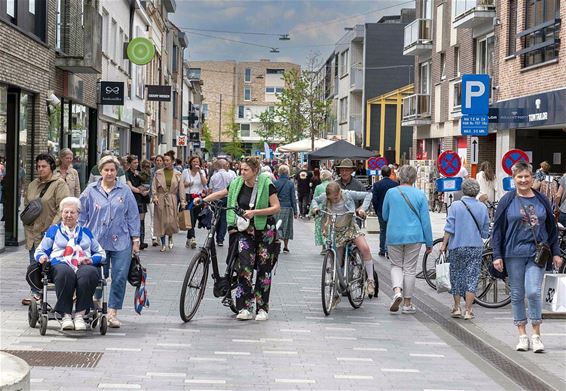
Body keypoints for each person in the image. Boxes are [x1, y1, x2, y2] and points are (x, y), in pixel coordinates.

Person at [196, 157, 281, 321]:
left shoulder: (266, 183)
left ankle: (262, 308)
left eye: (245, 170)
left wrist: (255, 212)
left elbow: (276, 207)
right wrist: (203, 200)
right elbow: (222, 193)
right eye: (241, 169)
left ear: (255, 171)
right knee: (244, 268)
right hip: (245, 230)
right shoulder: (237, 183)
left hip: (264, 230)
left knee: (264, 270)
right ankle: (245, 307)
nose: (242, 172)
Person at [491, 161, 562, 353]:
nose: (523, 180)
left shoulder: (542, 200)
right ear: (513, 179)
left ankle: (536, 335)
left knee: (532, 292)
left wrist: (556, 252)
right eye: (519, 177)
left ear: (532, 178)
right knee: (517, 294)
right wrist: (497, 255)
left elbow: (551, 229)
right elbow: (497, 230)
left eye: (526, 176)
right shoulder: (507, 200)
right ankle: (522, 335)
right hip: (513, 253)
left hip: (536, 254)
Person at [79, 155, 140, 328]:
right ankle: (96, 304)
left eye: (113, 170)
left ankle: (113, 312)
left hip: (121, 240)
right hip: (97, 240)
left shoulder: (124, 190)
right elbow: (82, 214)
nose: (110, 173)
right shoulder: (91, 190)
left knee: (119, 276)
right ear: (101, 171)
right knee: (98, 276)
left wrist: (135, 239)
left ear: (117, 172)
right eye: (106, 170)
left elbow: (133, 215)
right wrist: (81, 236)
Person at [34, 197, 105, 330]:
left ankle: (79, 316)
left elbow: (101, 254)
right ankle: (66, 315)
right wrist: (42, 256)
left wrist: (91, 260)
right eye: (66, 212)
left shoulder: (86, 232)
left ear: (78, 214)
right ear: (61, 213)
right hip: (60, 263)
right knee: (65, 273)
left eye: (72, 212)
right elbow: (40, 250)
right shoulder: (54, 230)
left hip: (83, 264)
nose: (68, 215)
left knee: (89, 273)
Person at [382, 165, 433, 314]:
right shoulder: (420, 195)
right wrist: (429, 243)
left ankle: (397, 291)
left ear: (399, 177)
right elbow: (425, 221)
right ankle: (407, 303)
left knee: (396, 265)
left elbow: (384, 216)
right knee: (410, 269)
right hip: (414, 236)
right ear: (414, 178)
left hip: (394, 235)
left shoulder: (390, 193)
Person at [311, 182, 376, 297]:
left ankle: (370, 281)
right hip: (336, 230)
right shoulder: (325, 197)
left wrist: (362, 209)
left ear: (339, 192)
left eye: (336, 198)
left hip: (350, 227)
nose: (334, 201)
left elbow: (368, 195)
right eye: (331, 199)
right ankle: (337, 287)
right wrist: (315, 208)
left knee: (365, 248)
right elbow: (315, 200)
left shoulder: (347, 194)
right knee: (338, 261)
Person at [22, 154, 70, 305]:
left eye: (44, 166)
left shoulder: (59, 184)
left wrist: (51, 229)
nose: (40, 169)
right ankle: (36, 295)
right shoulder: (32, 185)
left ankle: (63, 293)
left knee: (52, 265)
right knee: (34, 264)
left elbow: (62, 209)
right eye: (38, 166)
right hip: (33, 232)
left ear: (51, 167)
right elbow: (27, 205)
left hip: (50, 233)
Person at [440, 179, 490, 320]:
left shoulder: (455, 206)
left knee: (456, 276)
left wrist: (444, 245)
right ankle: (468, 310)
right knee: (472, 277)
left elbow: (449, 227)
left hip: (457, 246)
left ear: (463, 190)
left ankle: (456, 308)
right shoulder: (482, 207)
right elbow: (485, 230)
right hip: (475, 246)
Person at [153, 151, 187, 252]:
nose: (165, 162)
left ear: (172, 161)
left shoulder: (178, 174)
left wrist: (183, 201)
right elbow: (153, 186)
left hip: (172, 198)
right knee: (161, 221)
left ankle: (170, 236)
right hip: (160, 198)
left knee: (170, 220)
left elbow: (181, 189)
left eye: (167, 160)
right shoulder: (158, 173)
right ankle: (163, 243)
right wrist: (154, 196)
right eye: (164, 160)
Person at [207, 158, 237, 247]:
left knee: (216, 217)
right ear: (224, 165)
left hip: (216, 199)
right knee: (224, 218)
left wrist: (208, 199)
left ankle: (215, 235)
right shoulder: (231, 175)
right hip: (227, 198)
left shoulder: (214, 176)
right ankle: (221, 239)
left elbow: (210, 189)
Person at [371, 166, 399, 257]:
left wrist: (376, 210)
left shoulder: (377, 185)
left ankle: (382, 249)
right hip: (393, 210)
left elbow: (374, 199)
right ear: (390, 173)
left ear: (381, 174)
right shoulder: (395, 184)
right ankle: (390, 249)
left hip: (380, 210)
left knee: (383, 230)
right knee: (391, 230)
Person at [182, 156, 208, 249]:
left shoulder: (202, 172)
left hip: (198, 198)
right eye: (194, 161)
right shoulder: (186, 172)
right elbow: (180, 184)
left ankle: (189, 238)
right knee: (190, 218)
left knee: (194, 219)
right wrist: (187, 184)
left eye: (197, 162)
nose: (195, 163)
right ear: (190, 162)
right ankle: (192, 238)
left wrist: (200, 172)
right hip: (188, 197)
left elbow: (205, 183)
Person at [126, 155, 150, 250]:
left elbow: (146, 183)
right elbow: (130, 187)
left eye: (137, 162)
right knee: (132, 221)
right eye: (134, 163)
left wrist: (146, 190)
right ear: (129, 163)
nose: (136, 164)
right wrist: (140, 191)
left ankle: (142, 241)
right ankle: (134, 241)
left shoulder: (140, 173)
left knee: (141, 222)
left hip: (141, 199)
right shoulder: (127, 174)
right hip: (133, 198)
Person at [274, 165, 298, 253]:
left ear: (279, 172)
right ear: (288, 172)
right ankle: (286, 246)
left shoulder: (275, 182)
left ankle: (277, 244)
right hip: (288, 208)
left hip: (277, 207)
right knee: (287, 227)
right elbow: (293, 198)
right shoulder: (290, 183)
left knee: (277, 226)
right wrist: (295, 211)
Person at [312, 169, 333, 255]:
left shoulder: (318, 187)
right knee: (329, 227)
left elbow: (315, 199)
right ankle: (329, 246)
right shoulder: (333, 186)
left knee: (321, 228)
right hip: (331, 208)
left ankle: (323, 247)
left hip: (320, 209)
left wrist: (312, 211)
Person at [149, 155, 164, 246]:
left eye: (160, 160)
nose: (158, 162)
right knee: (153, 216)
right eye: (157, 160)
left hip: (162, 197)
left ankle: (159, 235)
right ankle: (154, 237)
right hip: (152, 196)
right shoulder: (151, 172)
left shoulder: (164, 172)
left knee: (161, 217)